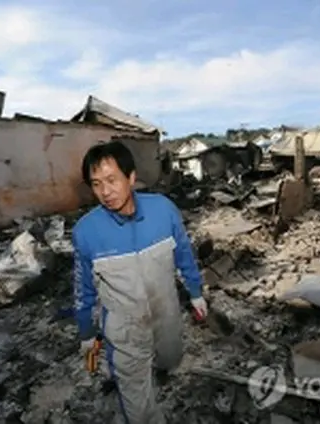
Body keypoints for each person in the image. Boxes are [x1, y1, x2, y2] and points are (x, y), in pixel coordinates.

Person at [73, 140, 208, 423]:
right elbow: (82, 288)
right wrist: (86, 332)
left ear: (131, 177)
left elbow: (184, 253)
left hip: (167, 313)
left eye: (112, 180)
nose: (105, 192)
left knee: (170, 359)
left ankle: (161, 366)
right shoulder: (86, 232)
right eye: (96, 184)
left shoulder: (163, 210)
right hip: (124, 329)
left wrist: (195, 292)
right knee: (138, 401)